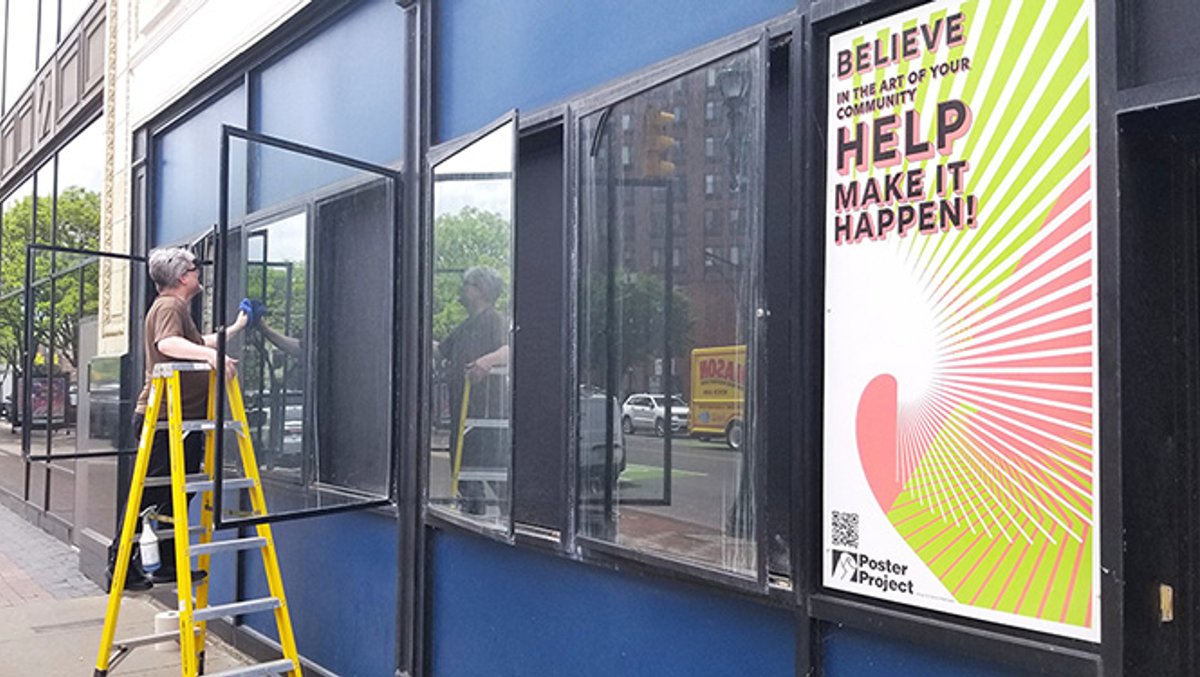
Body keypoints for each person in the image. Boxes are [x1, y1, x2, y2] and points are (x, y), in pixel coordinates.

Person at [106, 246, 247, 591]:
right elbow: (168, 343)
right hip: (164, 421)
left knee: (175, 495)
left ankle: (167, 562)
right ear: (183, 276)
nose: (199, 273)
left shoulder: (176, 308)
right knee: (149, 495)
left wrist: (238, 327)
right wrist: (212, 357)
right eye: (195, 268)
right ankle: (119, 563)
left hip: (182, 421)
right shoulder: (169, 305)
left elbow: (196, 342)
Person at [434, 266, 509, 515]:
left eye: (468, 284)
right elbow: (441, 350)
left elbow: (509, 349)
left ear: (481, 290)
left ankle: (511, 517)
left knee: (488, 470)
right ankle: (472, 510)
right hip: (463, 416)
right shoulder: (465, 326)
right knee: (465, 471)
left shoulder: (494, 321)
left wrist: (487, 361)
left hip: (484, 415)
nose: (463, 289)